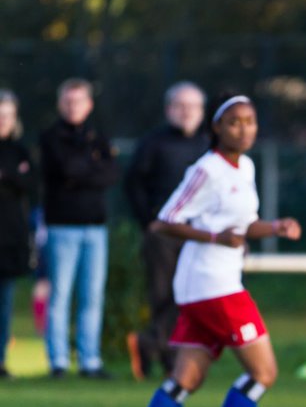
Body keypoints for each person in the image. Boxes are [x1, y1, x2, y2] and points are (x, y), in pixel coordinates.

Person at [113, 95, 302, 407]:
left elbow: (243, 224)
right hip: (212, 284)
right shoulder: (206, 169)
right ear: (216, 127)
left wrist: (276, 227)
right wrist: (215, 237)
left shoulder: (245, 166)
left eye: (250, 121)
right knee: (263, 372)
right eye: (234, 122)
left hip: (212, 284)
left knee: (186, 379)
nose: (244, 128)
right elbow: (164, 223)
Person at [124, 81, 208, 379]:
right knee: (163, 292)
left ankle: (156, 345)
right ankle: (166, 354)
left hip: (199, 234)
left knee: (190, 294)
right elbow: (133, 183)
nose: (186, 112)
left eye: (192, 106)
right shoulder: (153, 143)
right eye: (180, 106)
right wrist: (148, 222)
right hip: (164, 233)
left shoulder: (208, 144)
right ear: (169, 109)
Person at [40, 78, 118, 378]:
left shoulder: (99, 136)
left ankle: (90, 360)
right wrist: (91, 166)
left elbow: (110, 175)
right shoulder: (51, 137)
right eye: (68, 101)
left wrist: (82, 171)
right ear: (61, 104)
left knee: (92, 296)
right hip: (62, 227)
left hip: (95, 228)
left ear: (89, 105)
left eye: (79, 101)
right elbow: (66, 169)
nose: (73, 107)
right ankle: (58, 360)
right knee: (59, 295)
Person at [0, 89, 34, 379]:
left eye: (6, 115)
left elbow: (29, 182)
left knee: (4, 304)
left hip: (9, 238)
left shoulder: (21, 150)